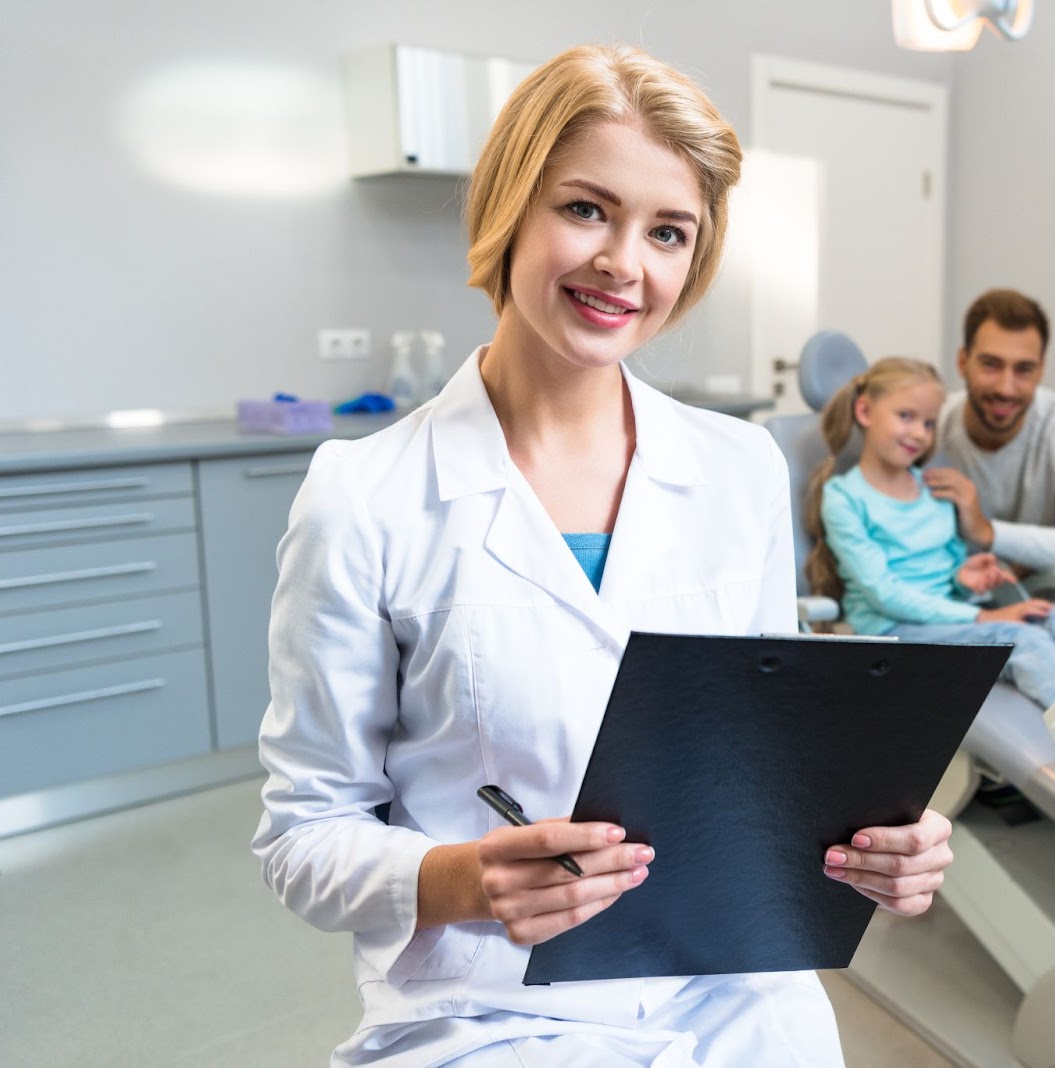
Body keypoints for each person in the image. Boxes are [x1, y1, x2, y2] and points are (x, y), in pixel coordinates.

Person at [251, 45, 954, 1068]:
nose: (626, 263)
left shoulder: (737, 468)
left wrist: (876, 845)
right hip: (484, 1008)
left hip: (726, 987)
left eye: (667, 231)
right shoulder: (366, 497)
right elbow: (302, 838)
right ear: (509, 208)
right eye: (586, 209)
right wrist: (464, 879)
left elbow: (766, 767)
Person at [804, 358, 1055, 711]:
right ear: (865, 411)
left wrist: (963, 578)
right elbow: (885, 594)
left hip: (948, 621)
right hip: (893, 634)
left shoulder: (932, 488)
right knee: (1019, 638)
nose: (919, 433)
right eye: (906, 417)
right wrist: (982, 617)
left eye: (929, 423)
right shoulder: (844, 498)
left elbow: (942, 572)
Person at [924, 288, 1055, 600]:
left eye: (1024, 369)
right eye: (990, 364)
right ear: (963, 362)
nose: (1006, 388)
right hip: (955, 607)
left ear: (1041, 369)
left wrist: (988, 532)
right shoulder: (926, 429)